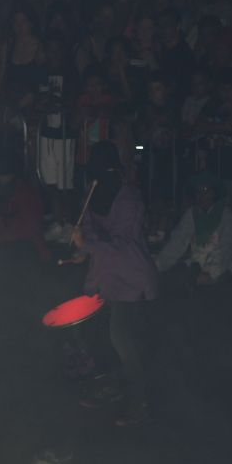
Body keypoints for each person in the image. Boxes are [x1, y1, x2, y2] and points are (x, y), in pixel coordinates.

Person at [72, 141, 159, 426]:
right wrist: (81, 250)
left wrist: (89, 244)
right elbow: (87, 232)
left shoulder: (129, 199)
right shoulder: (93, 193)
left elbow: (121, 243)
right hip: (103, 278)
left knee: (122, 340)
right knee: (99, 337)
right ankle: (110, 386)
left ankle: (140, 404)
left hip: (130, 279)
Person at [156, 172, 232, 288]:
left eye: (205, 190)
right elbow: (177, 242)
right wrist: (158, 265)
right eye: (198, 191)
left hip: (226, 266)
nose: (201, 195)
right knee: (169, 279)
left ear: (214, 192)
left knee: (210, 285)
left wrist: (211, 272)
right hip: (198, 264)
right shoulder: (192, 214)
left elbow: (226, 248)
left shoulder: (226, 214)